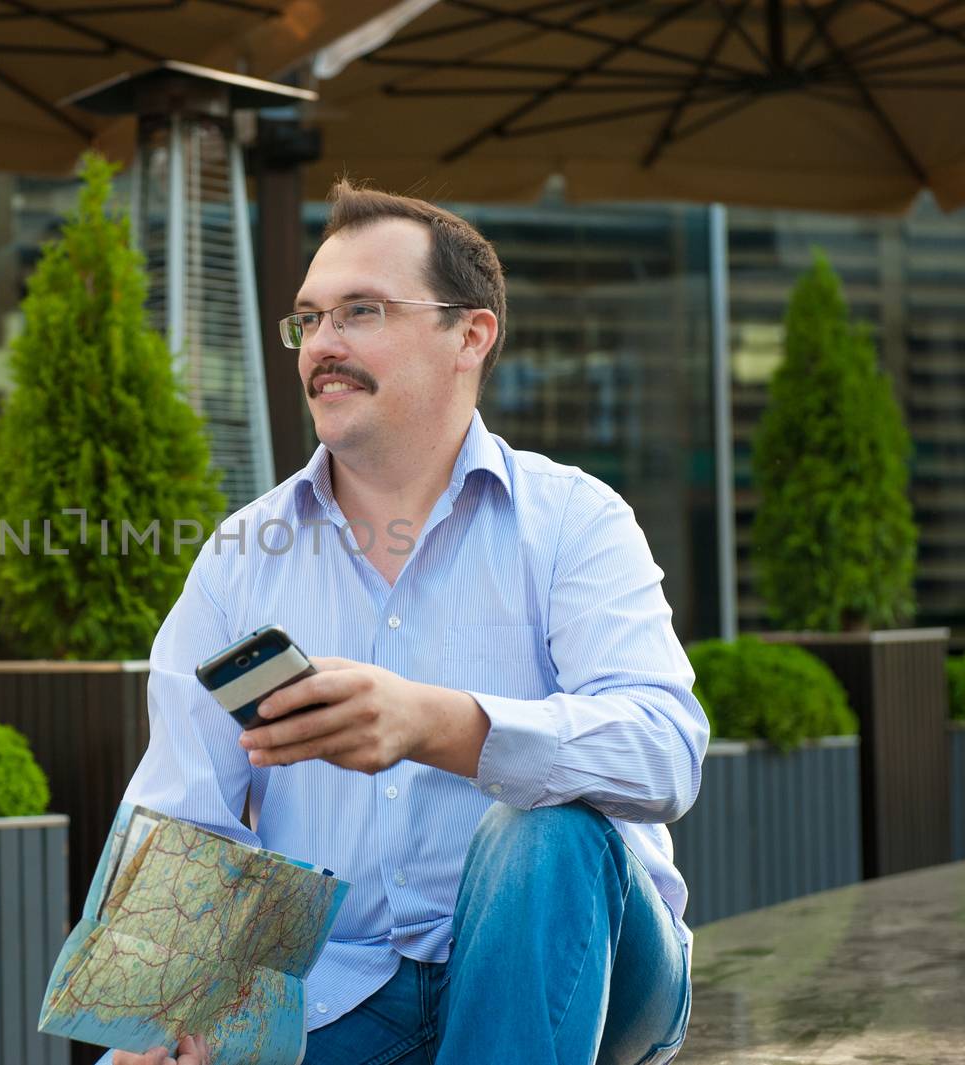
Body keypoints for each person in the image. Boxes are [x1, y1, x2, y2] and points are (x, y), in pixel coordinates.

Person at [107, 181, 708, 1065]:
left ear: (471, 335)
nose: (323, 345)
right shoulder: (242, 556)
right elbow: (182, 813)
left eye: (361, 311)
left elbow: (667, 752)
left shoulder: (576, 520)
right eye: (308, 320)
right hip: (339, 988)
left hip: (597, 964)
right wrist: (153, 1019)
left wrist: (439, 724)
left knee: (545, 826)